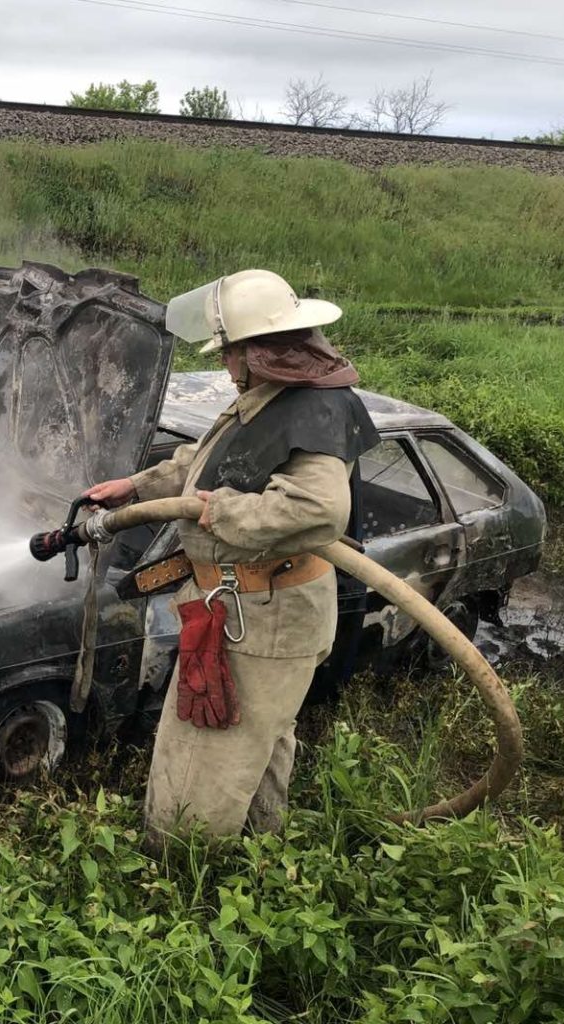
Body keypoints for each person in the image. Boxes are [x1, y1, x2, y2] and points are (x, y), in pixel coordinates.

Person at [84, 269, 376, 841]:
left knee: (204, 755)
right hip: (263, 607)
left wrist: (215, 512)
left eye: (227, 353)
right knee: (259, 742)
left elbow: (318, 510)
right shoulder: (273, 399)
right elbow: (207, 462)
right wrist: (137, 487)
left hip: (260, 615)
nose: (224, 365)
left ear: (259, 351)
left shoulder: (312, 410)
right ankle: (260, 850)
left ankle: (179, 874)